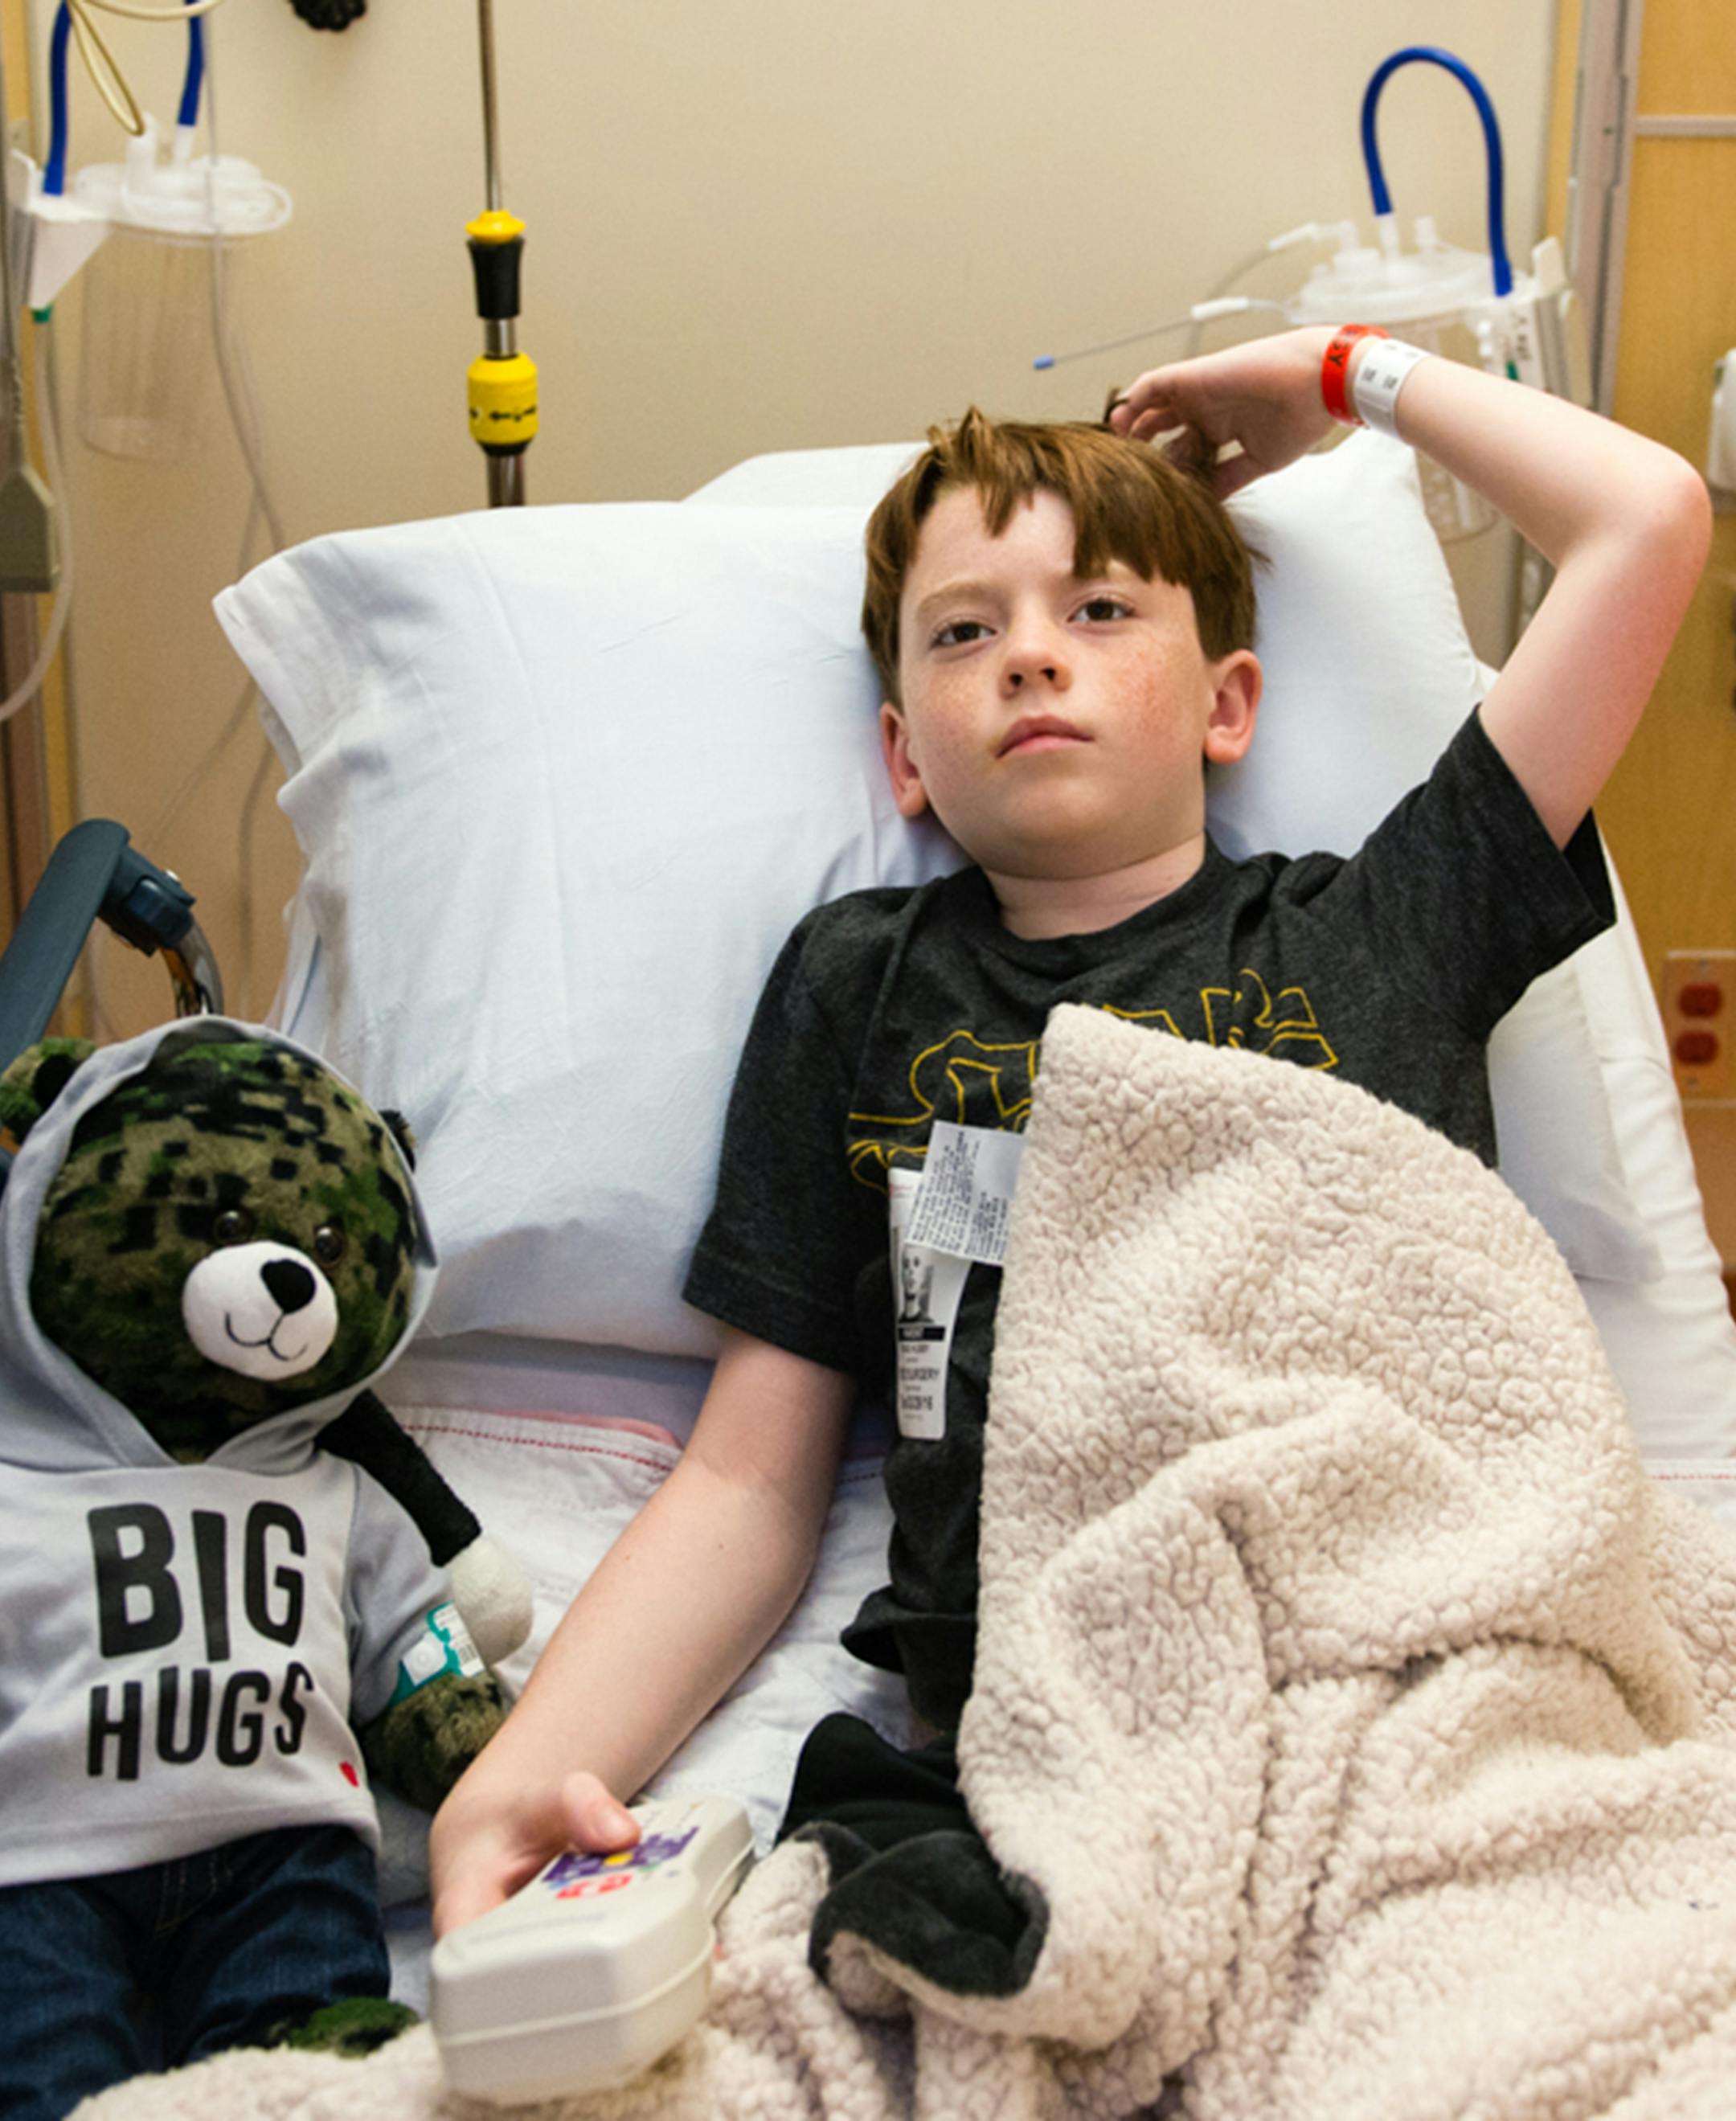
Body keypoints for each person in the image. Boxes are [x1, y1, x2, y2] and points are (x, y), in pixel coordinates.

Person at [428, 325, 1710, 1943]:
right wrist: (530, 1768)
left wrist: (1335, 374)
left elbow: (1648, 518)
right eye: (965, 632)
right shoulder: (859, 985)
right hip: (1040, 1708)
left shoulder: (1388, 926)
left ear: (1229, 703)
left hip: (1401, 1636)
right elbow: (752, 1483)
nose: (1033, 655)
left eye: (1100, 609)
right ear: (903, 751)